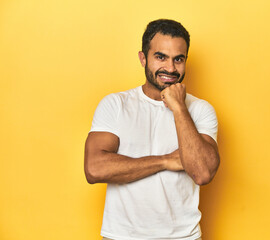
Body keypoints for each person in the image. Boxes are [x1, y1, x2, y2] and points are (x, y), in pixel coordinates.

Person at [84, 19, 220, 240]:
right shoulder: (115, 104)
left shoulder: (200, 110)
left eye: (179, 59)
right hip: (121, 236)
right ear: (143, 58)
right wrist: (166, 160)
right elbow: (94, 169)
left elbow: (202, 172)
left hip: (183, 237)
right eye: (160, 57)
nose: (170, 68)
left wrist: (178, 107)